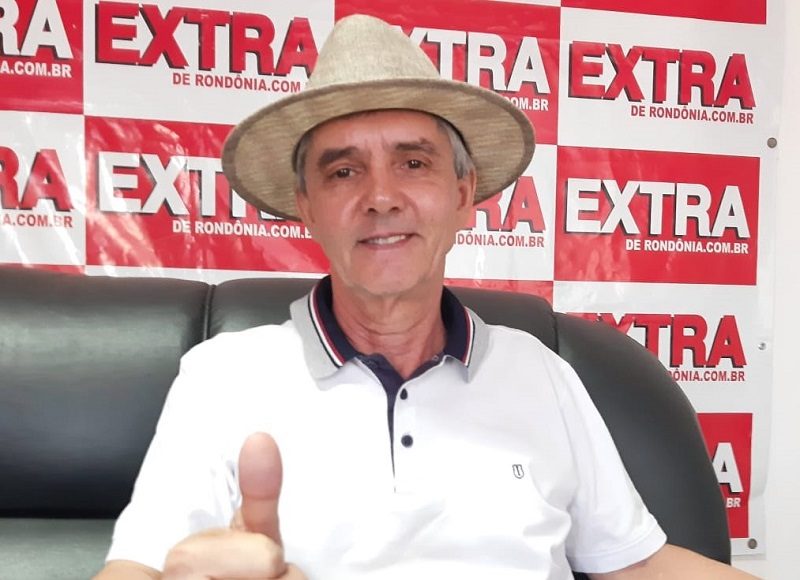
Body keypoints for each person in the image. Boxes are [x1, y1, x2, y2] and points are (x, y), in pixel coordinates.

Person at [95, 14, 756, 580]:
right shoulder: (222, 376)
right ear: (307, 207)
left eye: (413, 163)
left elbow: (637, 565)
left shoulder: (541, 371)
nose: (381, 197)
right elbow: (135, 568)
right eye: (343, 171)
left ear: (463, 196)